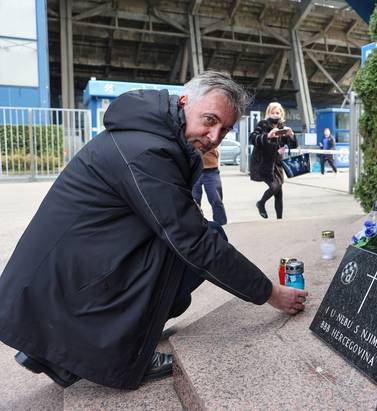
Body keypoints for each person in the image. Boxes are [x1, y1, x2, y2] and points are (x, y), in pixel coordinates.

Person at [0, 71, 308, 390]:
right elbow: (193, 241)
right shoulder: (146, 150)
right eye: (210, 120)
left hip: (68, 274)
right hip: (63, 281)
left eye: (225, 129)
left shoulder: (151, 133)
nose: (215, 136)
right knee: (190, 247)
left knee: (205, 236)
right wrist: (269, 293)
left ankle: (62, 348)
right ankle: (111, 353)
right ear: (185, 101)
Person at [249, 102, 297, 219]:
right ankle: (261, 203)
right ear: (268, 113)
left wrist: (291, 135)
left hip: (277, 165)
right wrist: (267, 136)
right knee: (275, 187)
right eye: (273, 112)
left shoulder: (283, 126)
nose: (275, 115)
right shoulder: (263, 124)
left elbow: (293, 145)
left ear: (281, 113)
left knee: (279, 194)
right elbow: (252, 138)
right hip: (263, 164)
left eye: (277, 112)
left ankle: (279, 220)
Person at [192, 146, 227, 225]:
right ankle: (196, 224)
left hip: (211, 170)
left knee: (216, 200)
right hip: (194, 170)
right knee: (194, 201)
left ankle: (221, 225)